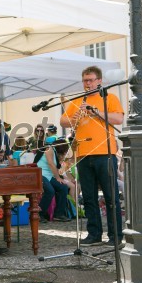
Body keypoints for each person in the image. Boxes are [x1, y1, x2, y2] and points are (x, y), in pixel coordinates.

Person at [60, 65, 124, 247]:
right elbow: (63, 121)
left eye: (90, 80)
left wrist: (96, 111)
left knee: (111, 196)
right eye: (85, 80)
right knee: (88, 197)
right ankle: (94, 234)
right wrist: (74, 119)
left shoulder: (109, 98)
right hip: (83, 154)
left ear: (99, 81)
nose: (87, 84)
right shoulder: (77, 100)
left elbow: (118, 119)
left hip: (105, 152)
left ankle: (115, 236)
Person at [35, 139, 71, 223]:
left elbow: (57, 167)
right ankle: (39, 214)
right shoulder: (49, 148)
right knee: (50, 191)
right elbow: (51, 164)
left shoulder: (54, 152)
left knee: (63, 188)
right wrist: (58, 178)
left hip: (48, 175)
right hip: (40, 173)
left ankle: (58, 214)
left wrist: (61, 159)